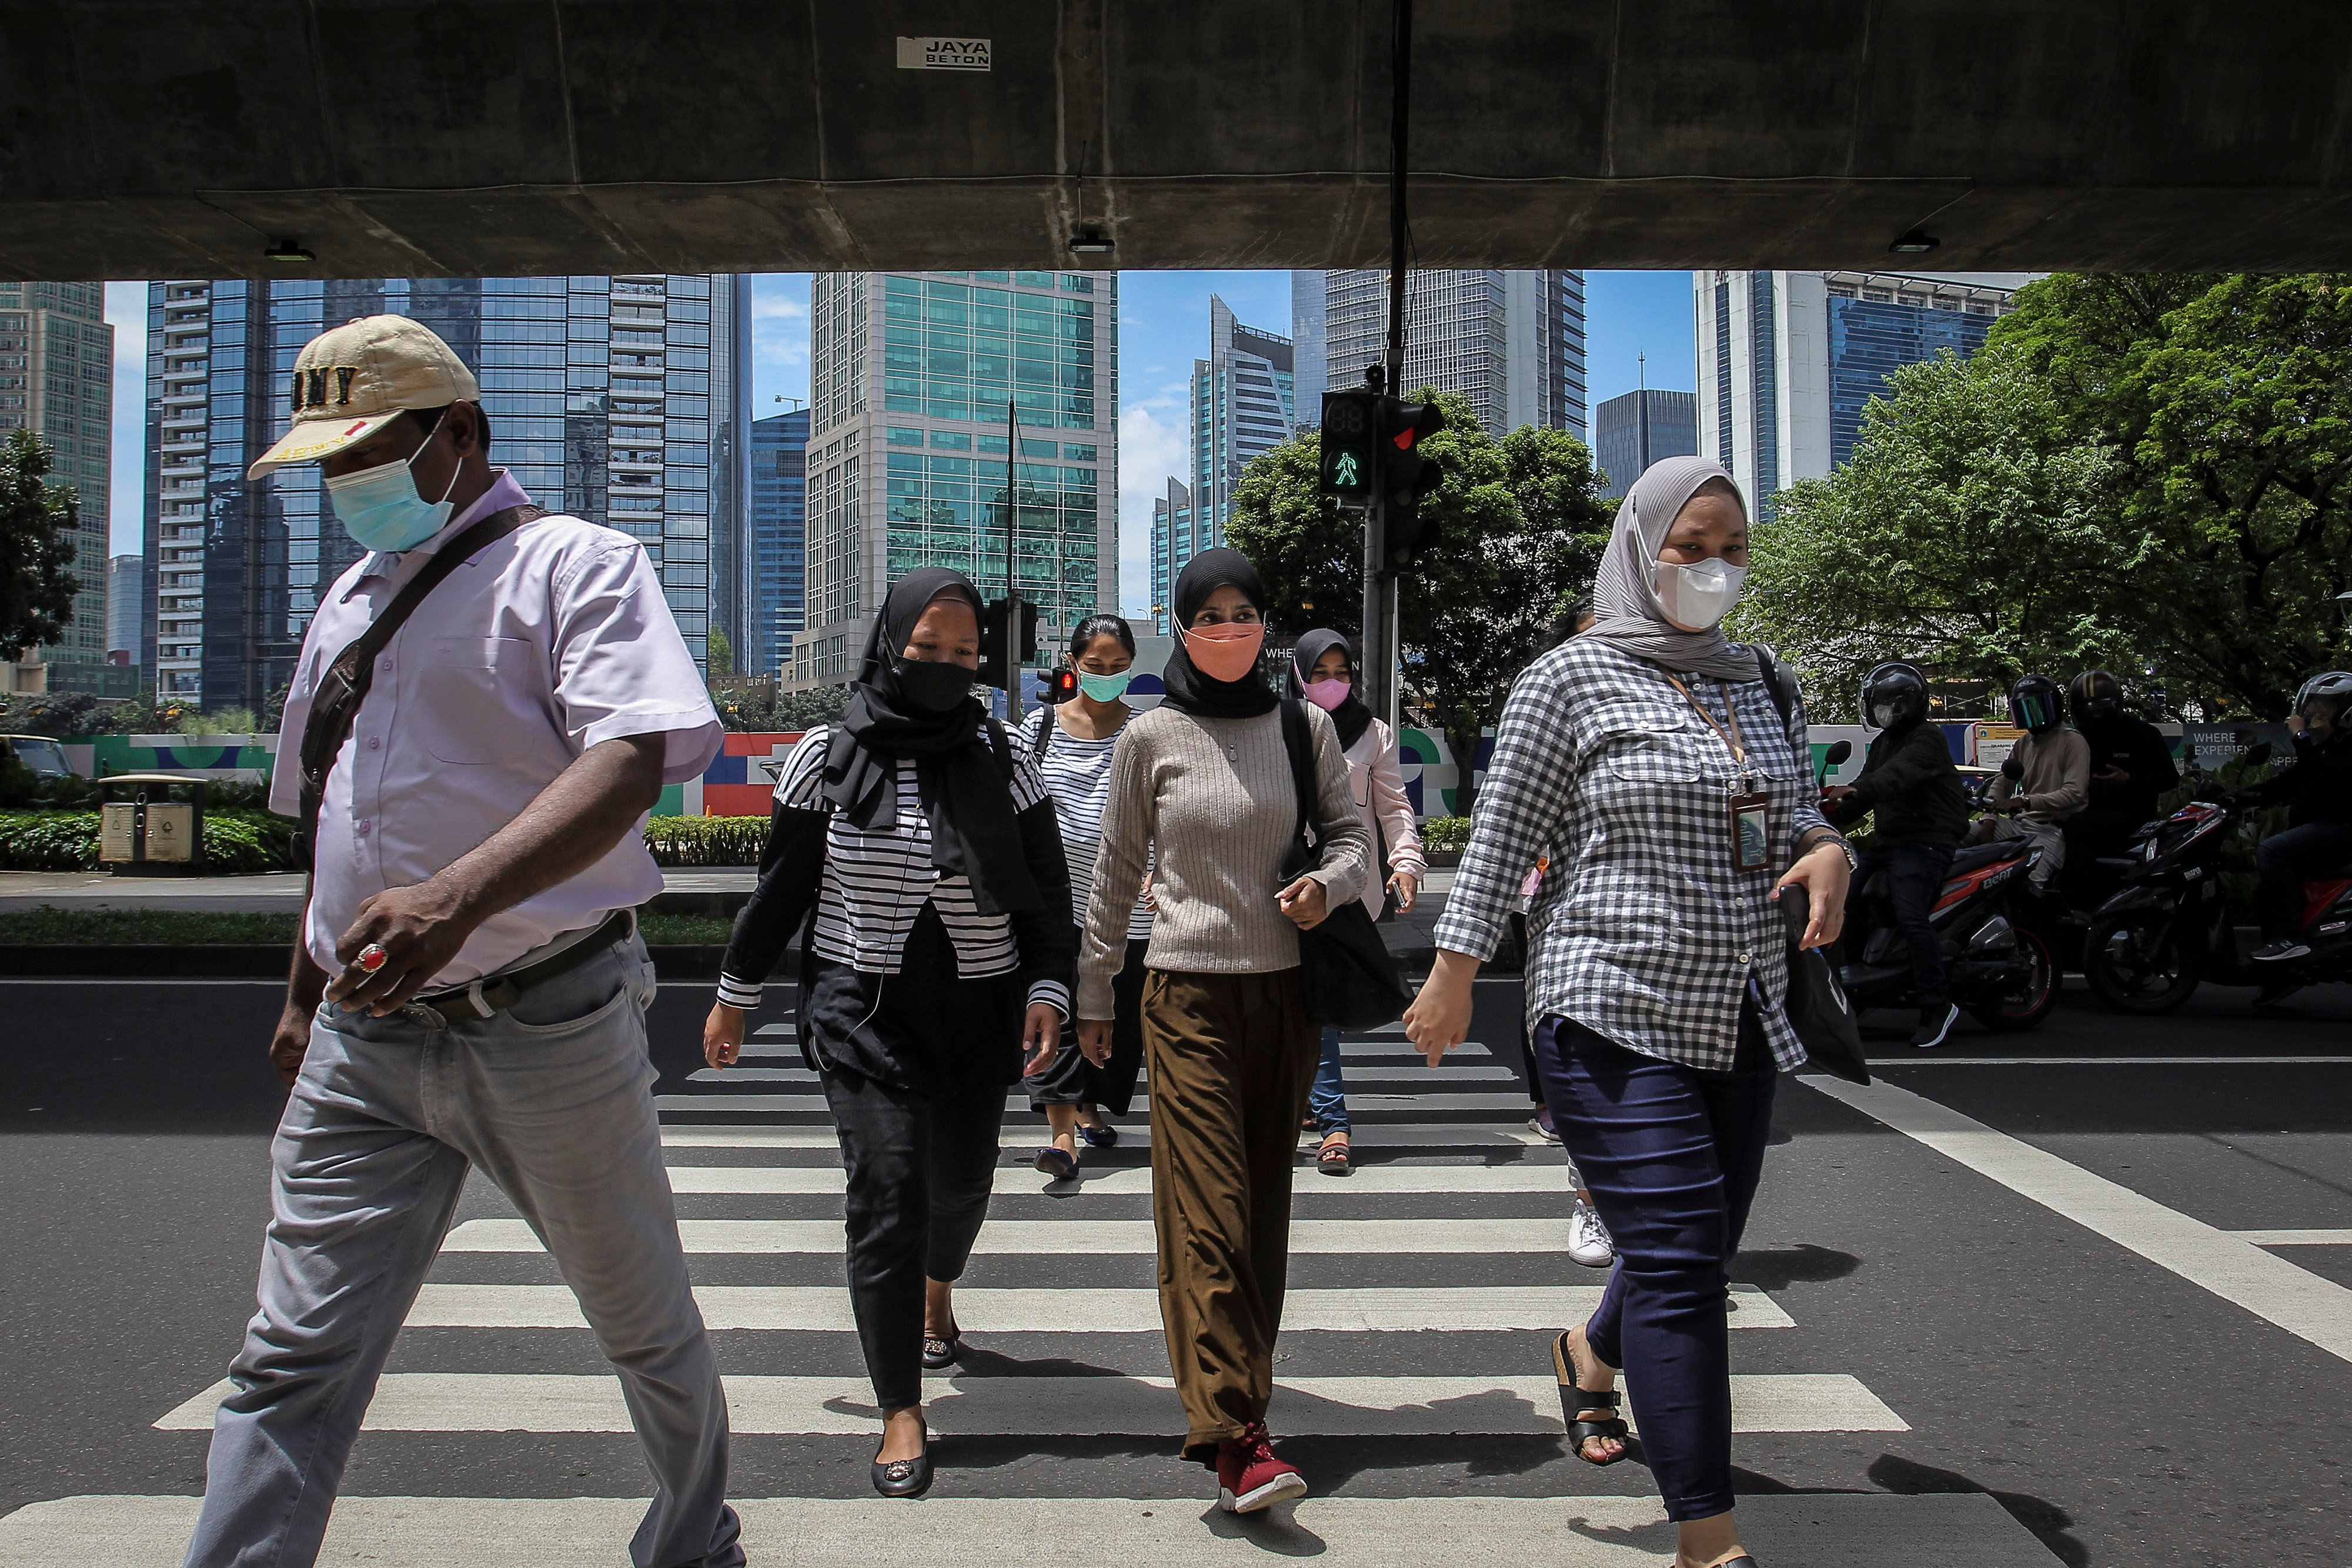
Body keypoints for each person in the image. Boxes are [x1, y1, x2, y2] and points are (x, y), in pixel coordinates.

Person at [183, 315, 743, 1568]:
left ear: (462, 434)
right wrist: (302, 989)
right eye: (326, 464)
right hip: (364, 1033)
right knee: (290, 1354)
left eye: (369, 453)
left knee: (637, 1322)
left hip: (543, 1016)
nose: (346, 485)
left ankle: (695, 1533)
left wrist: (456, 900)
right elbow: (337, 817)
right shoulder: (346, 602)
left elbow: (626, 763)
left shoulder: (576, 564)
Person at [1403, 456, 1852, 1568]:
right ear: (1639, 547)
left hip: (1736, 1000)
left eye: (1732, 549)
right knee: (1686, 1265)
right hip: (1606, 1000)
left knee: (1689, 1248)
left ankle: (1587, 1351)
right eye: (1688, 546)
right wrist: (1454, 971)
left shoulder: (1757, 676)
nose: (1711, 568)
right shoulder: (1568, 677)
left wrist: (1829, 847)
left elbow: (1796, 809)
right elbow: (1505, 832)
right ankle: (1709, 1533)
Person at [703, 568, 1073, 1499]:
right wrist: (735, 993)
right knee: (888, 1186)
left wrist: (1050, 987)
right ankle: (900, 1403)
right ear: (888, 646)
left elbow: (1046, 892)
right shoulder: (824, 755)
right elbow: (781, 888)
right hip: (859, 1004)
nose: (949, 666)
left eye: (965, 653)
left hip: (979, 1003)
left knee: (960, 1181)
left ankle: (937, 1290)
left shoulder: (1002, 756)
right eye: (927, 650)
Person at [1074, 549, 1372, 1514]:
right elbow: (1118, 871)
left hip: (1285, 998)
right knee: (1210, 1213)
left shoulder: (1306, 726)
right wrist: (1093, 992)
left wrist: (1327, 884)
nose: (1233, 627)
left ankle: (1244, 1398)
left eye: (1248, 611)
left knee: (1264, 1215)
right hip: (1184, 995)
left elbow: (1353, 837)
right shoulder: (1152, 736)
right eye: (1213, 613)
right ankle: (1235, 1430)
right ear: (1184, 623)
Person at [1290, 628, 1426, 1177]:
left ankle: (1334, 1124)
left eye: (1341, 673)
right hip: (1287, 883)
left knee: (1318, 1003)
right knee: (1295, 1001)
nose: (1332, 683)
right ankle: (1307, 1103)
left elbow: (1394, 807)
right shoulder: (1282, 724)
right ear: (1300, 676)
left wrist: (1406, 862)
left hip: (1347, 889)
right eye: (1319, 673)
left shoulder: (1374, 734)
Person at [1023, 614, 1154, 1179]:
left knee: (1118, 1025)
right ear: (1074, 665)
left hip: (1129, 911)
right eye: (1095, 667)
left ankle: (1089, 1106)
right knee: (1058, 1014)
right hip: (1056, 907)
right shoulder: (1038, 729)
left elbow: (1167, 811)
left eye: (1119, 668)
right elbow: (1017, 809)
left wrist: (1163, 869)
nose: (1106, 677)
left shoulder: (1149, 731)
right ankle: (1061, 1136)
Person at [1509, 593, 1613, 1269]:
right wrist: (1454, 966)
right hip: (1571, 929)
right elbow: (1504, 830)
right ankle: (1592, 1202)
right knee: (1590, 1066)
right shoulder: (1549, 706)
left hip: (1674, 952)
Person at [1824, 661, 1972, 1048]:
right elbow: (1864, 792)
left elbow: (1892, 779)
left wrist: (1855, 791)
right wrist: (1825, 814)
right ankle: (1851, 994)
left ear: (1905, 703)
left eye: (1885, 702)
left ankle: (1936, 1004)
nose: (1878, 709)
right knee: (1845, 900)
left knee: (1910, 913)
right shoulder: (1883, 744)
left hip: (1927, 841)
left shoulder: (1927, 739)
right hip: (1891, 842)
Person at [2235, 671, 2352, 962]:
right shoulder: (2325, 748)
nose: (2315, 711)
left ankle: (2289, 939)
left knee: (2272, 850)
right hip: (2322, 828)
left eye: (2327, 705)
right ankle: (2280, 969)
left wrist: (2301, 738)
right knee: (2265, 891)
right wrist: (2237, 797)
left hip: (2343, 828)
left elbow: (2325, 779)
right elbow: (2289, 783)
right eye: (2313, 704)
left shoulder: (2347, 748)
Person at [2063, 669, 2179, 900]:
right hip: (2085, 811)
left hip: (2134, 817)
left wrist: (2130, 780)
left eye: (2097, 709)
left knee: (2077, 827)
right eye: (2085, 709)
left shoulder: (2144, 734)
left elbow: (2169, 778)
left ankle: (2078, 903)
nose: (2093, 717)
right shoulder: (2076, 738)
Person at [1973, 673, 2089, 895]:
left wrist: (2025, 801)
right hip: (2018, 826)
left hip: (2051, 831)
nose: (2030, 717)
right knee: (1954, 834)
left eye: (2035, 709)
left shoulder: (2073, 741)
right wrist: (1989, 818)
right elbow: (2001, 781)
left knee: (2027, 889)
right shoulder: (2024, 743)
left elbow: (2074, 793)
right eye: (2024, 710)